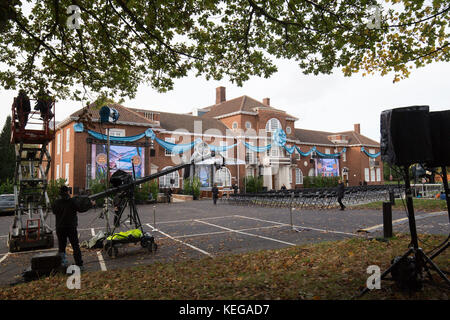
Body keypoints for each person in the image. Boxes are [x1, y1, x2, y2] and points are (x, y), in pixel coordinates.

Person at [52, 185, 83, 269]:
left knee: (61, 247)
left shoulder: (56, 202)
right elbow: (80, 209)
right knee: (75, 245)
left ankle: (63, 264)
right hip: (71, 227)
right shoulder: (72, 201)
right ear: (68, 192)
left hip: (60, 227)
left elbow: (54, 211)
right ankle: (79, 264)